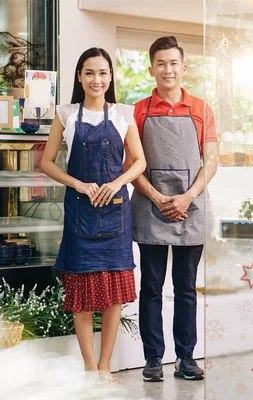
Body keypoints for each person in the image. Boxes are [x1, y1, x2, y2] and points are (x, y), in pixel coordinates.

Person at [41, 48, 147, 383]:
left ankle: (105, 366)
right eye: (89, 73)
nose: (96, 80)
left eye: (102, 73)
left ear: (111, 77)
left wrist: (116, 183)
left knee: (113, 294)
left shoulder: (123, 114)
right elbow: (46, 162)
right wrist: (80, 185)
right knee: (83, 293)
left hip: (115, 213)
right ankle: (89, 368)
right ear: (79, 77)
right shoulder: (66, 114)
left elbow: (140, 162)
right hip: (79, 212)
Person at [127, 36, 218, 382]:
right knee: (150, 286)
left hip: (190, 206)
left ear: (184, 67)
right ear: (151, 69)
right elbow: (131, 163)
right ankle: (152, 359)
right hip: (151, 206)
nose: (168, 69)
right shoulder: (138, 110)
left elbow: (211, 162)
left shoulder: (201, 109)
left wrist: (186, 198)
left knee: (186, 287)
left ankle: (186, 357)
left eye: (174, 63)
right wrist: (157, 197)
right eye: (161, 63)